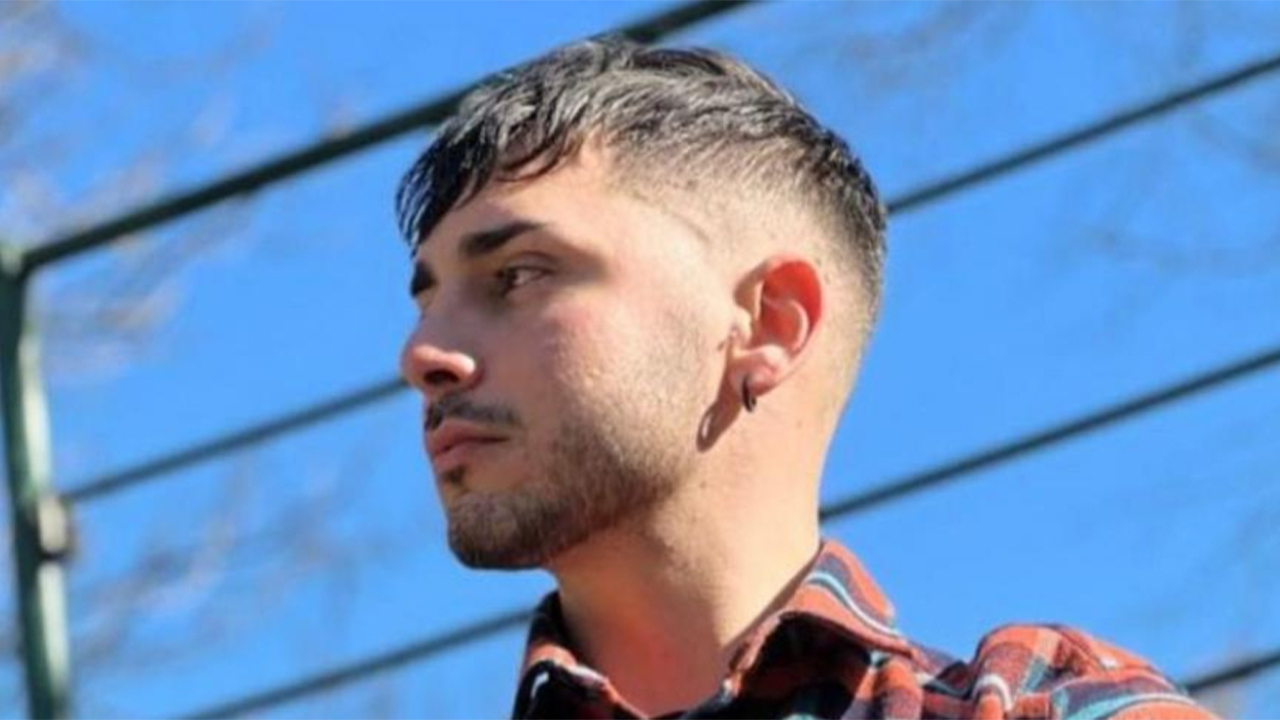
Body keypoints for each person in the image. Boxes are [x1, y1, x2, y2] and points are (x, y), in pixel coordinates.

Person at [395, 37, 1216, 720]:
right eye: (427, 303)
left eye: (517, 276)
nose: (422, 354)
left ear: (770, 325)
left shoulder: (1040, 707)